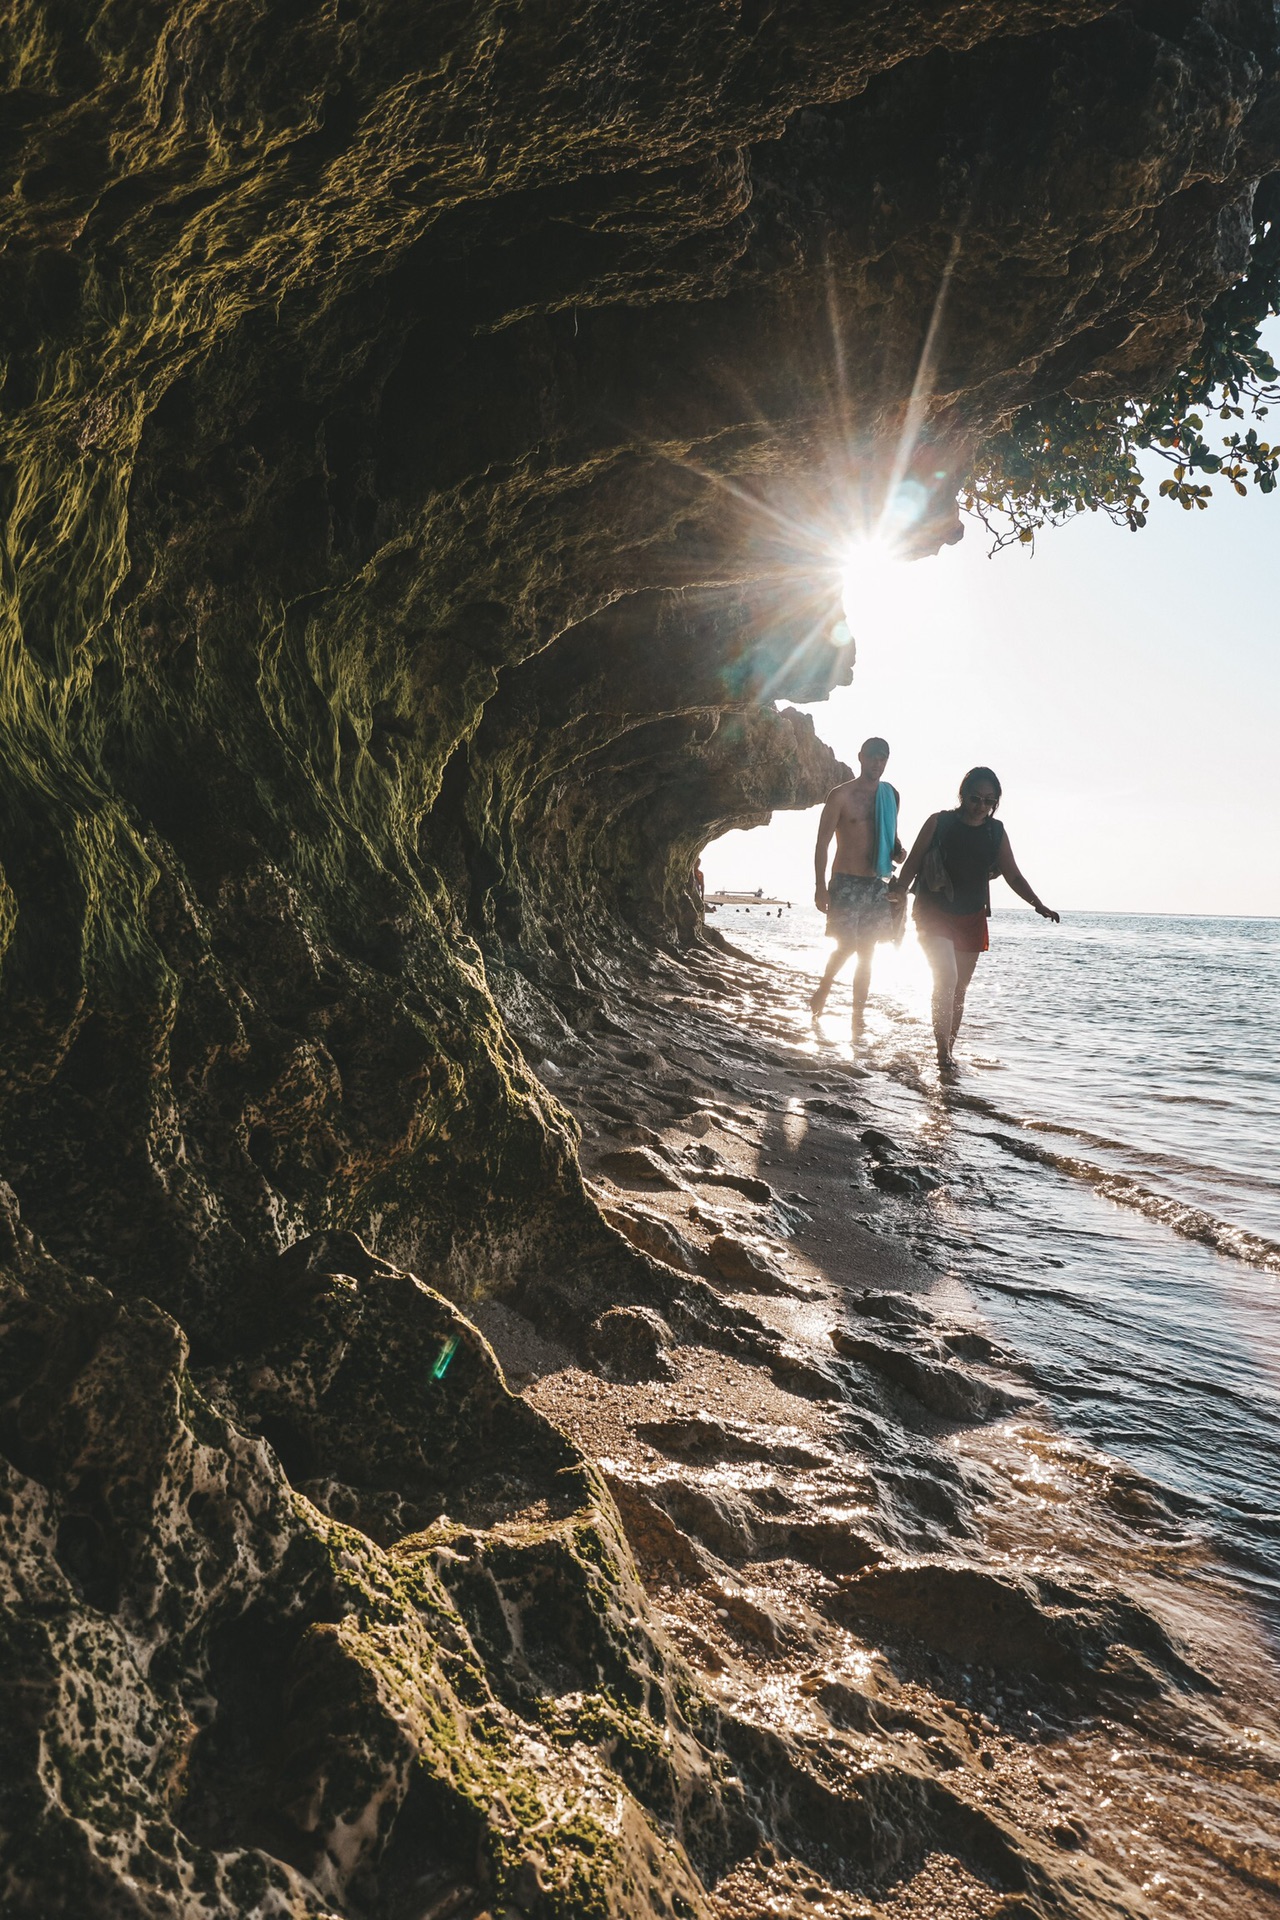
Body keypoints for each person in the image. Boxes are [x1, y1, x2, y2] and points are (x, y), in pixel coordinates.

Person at [892, 766, 1059, 1076]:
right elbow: (912, 863)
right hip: (933, 912)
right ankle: (942, 1053)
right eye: (975, 798)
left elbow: (1013, 874)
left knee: (959, 990)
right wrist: (898, 893)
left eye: (988, 800)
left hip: (971, 916)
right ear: (962, 795)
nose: (981, 805)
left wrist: (1038, 904)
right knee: (946, 978)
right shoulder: (938, 822)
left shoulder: (995, 832)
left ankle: (949, 1050)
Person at [811, 736, 906, 1031]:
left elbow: (891, 837)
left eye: (883, 757)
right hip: (845, 882)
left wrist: (898, 851)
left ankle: (858, 1017)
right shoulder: (840, 796)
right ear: (861, 757)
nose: (878, 763)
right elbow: (821, 844)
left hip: (875, 884)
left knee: (868, 952)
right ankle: (825, 987)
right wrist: (820, 886)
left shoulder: (891, 795)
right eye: (873, 756)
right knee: (847, 945)